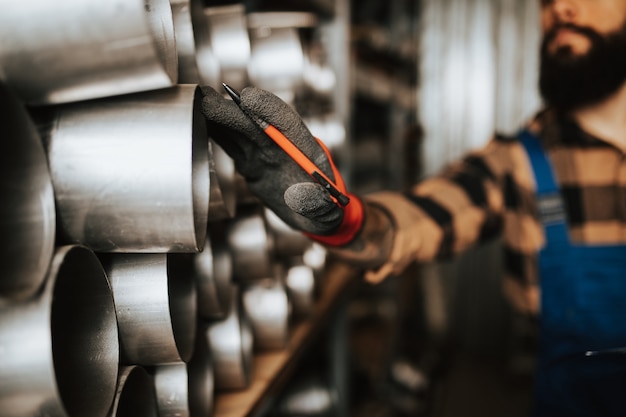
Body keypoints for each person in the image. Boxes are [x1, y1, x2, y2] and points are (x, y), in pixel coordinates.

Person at [200, 0, 626, 415]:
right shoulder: (520, 162)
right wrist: (342, 220)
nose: (562, 8)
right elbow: (415, 221)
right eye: (548, 0)